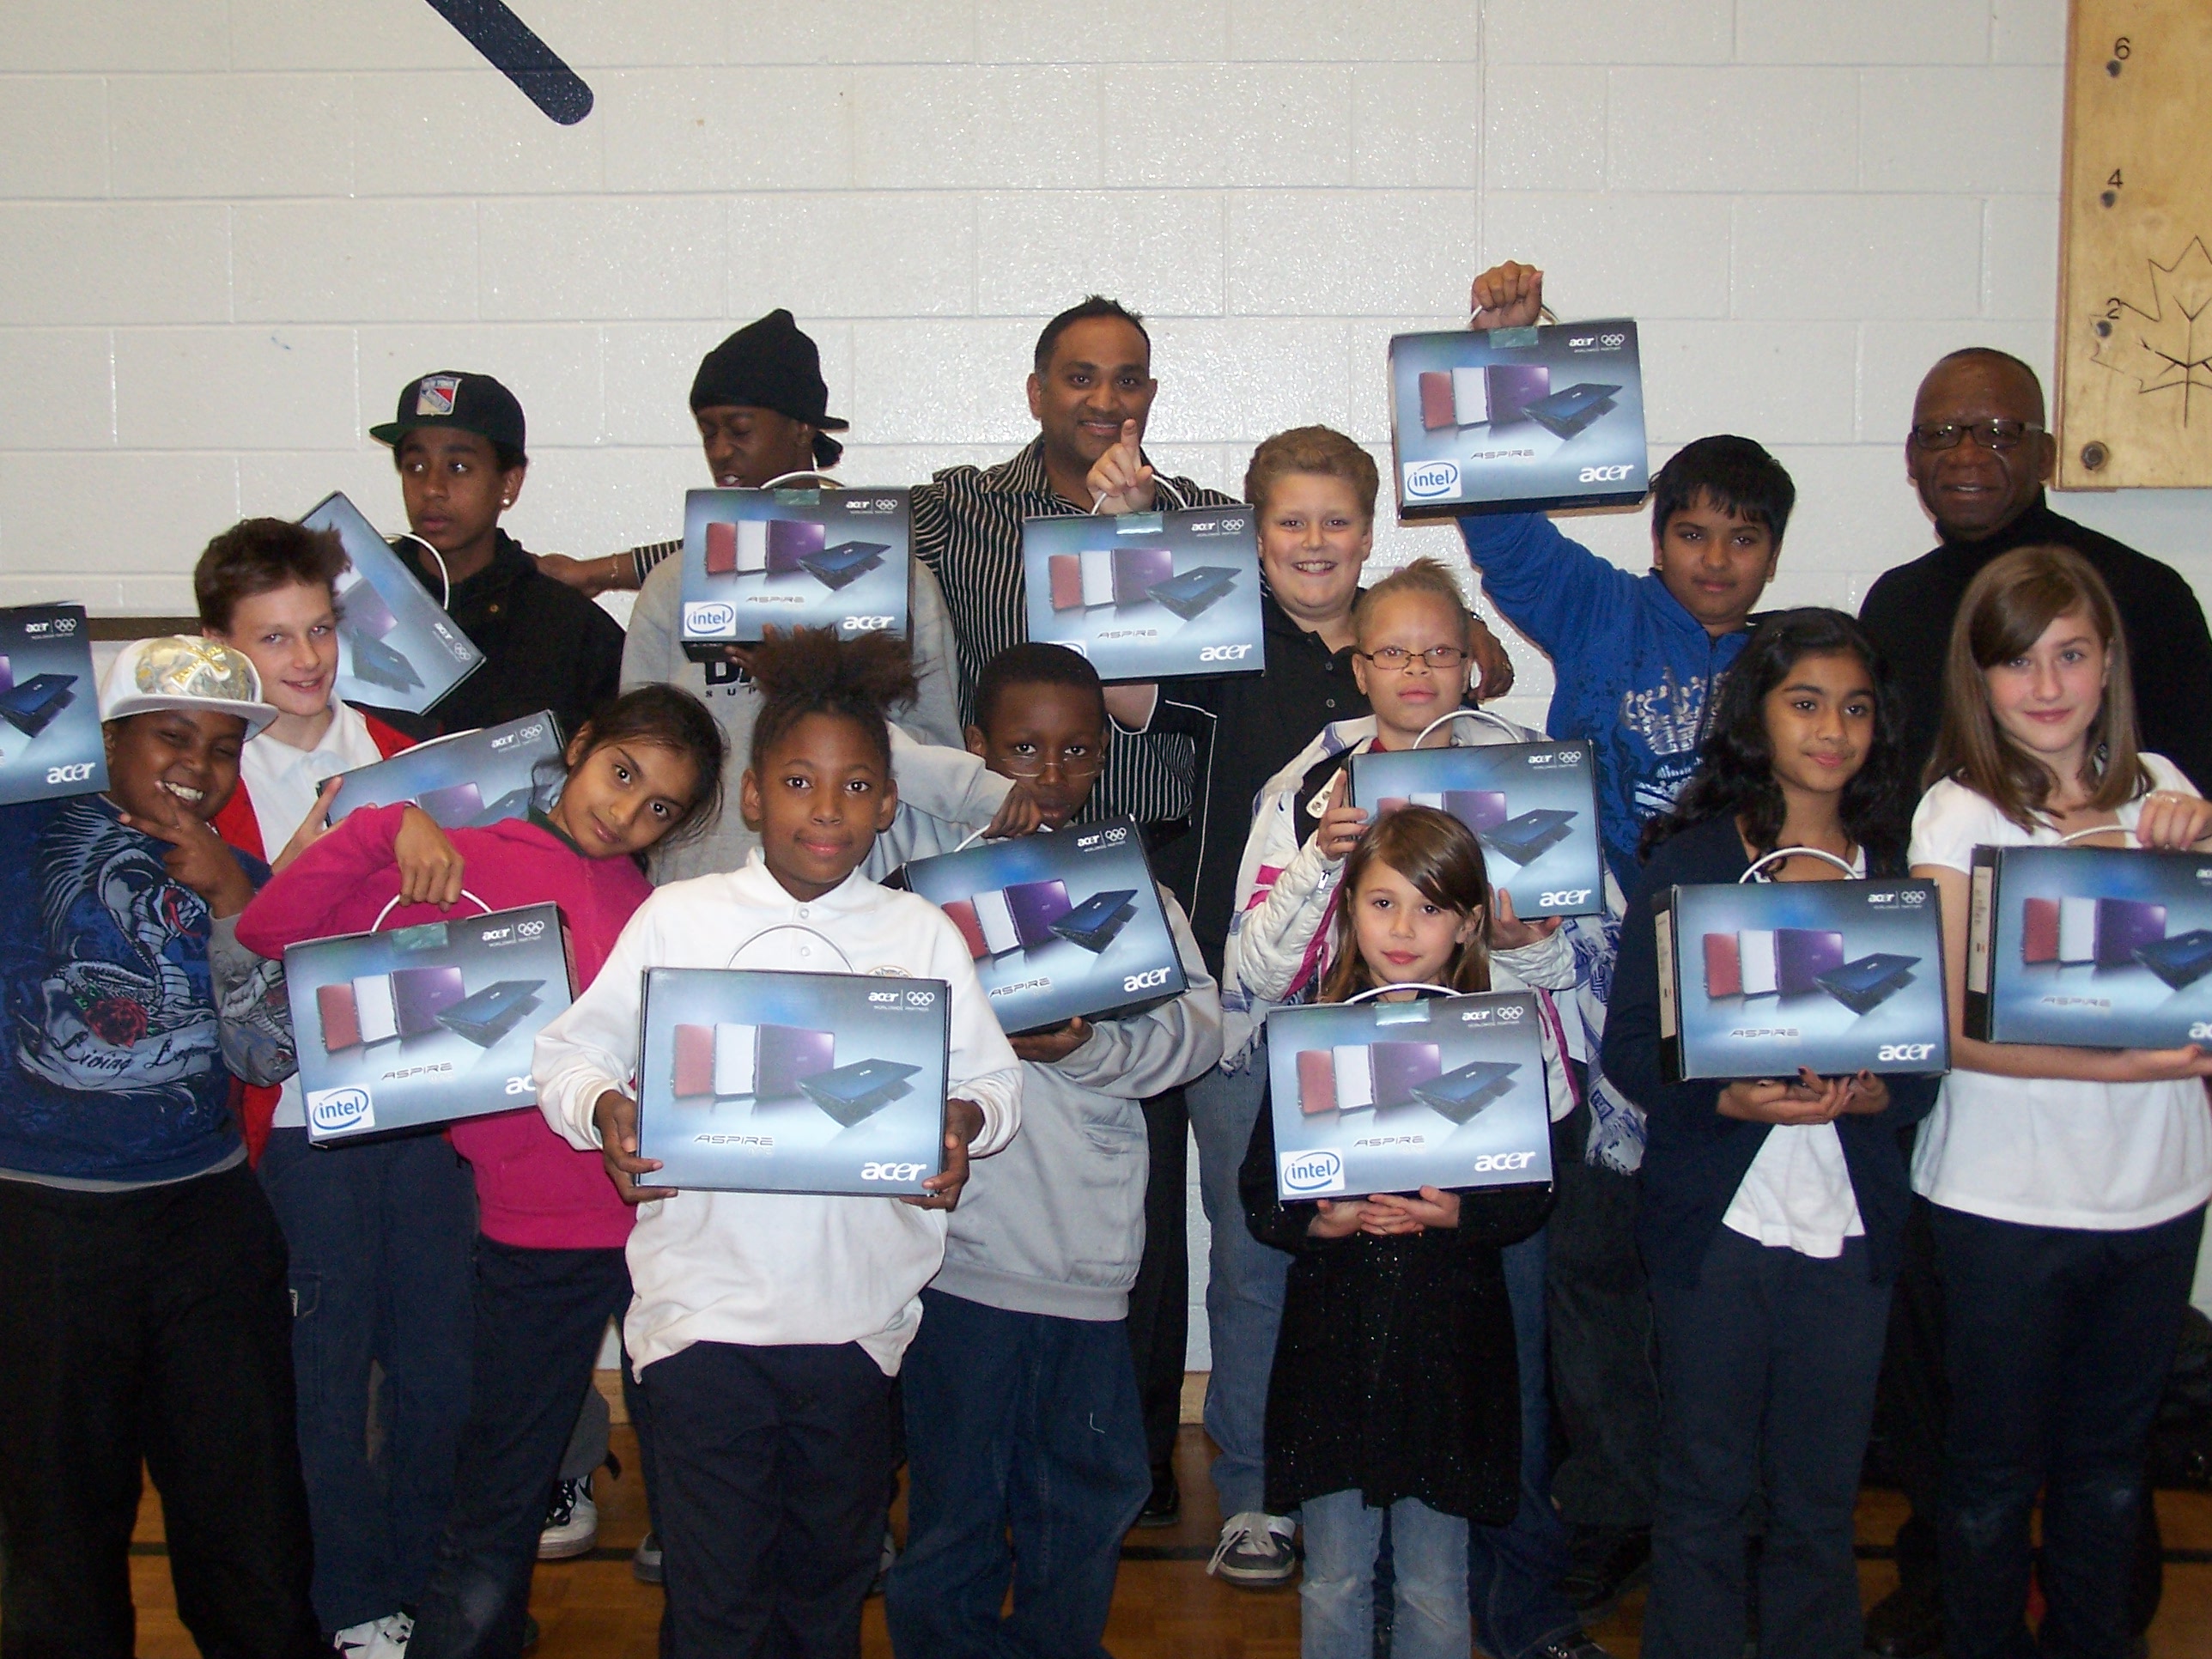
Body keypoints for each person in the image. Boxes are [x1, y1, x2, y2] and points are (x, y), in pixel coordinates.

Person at [531, 629, 1023, 1657]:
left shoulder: (919, 935)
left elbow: (989, 1081)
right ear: (753, 797)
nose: (827, 809)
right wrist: (605, 1113)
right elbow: (566, 1055)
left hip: (856, 1327)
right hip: (696, 1322)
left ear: (889, 805)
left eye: (855, 787)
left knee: (825, 1590)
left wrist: (960, 1126)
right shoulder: (679, 918)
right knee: (715, 1602)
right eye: (799, 781)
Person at [234, 685, 726, 1659]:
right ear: (579, 746)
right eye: (620, 775)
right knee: (498, 1488)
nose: (625, 814)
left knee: (700, 1495)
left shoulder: (659, 909)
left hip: (666, 1231)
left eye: (658, 807)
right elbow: (271, 934)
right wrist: (384, 828)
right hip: (529, 1235)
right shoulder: (465, 859)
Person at [1856, 347, 2212, 1656]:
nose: (2049, 686)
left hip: (2158, 1193)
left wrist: (2199, 840)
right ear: (1981, 679)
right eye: (2021, 664)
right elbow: (1946, 1028)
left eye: (2073, 655)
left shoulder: (2168, 785)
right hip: (2003, 1202)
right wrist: (2123, 1072)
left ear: (2111, 662)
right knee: (1994, 1476)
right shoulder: (1958, 811)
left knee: (2114, 1475)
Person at [1460, 258, 1801, 1611]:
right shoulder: (1603, 610)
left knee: (1713, 1254)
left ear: (1773, 552)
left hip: (1734, 986)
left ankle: (1725, 1496)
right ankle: (1610, 1502)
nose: (1716, 561)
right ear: (1657, 535)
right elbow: (1496, 522)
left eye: (1744, 539)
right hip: (1593, 978)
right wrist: (1512, 347)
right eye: (1695, 533)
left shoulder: (1792, 663)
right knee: (1592, 1258)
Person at [1222, 558, 1609, 1657]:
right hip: (1344, 1126)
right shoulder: (1311, 785)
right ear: (1357, 663)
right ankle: (1371, 1613)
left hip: (1495, 1128)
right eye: (1390, 651)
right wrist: (1316, 862)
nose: (1414, 671)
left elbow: (1583, 971)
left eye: (1437, 650)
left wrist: (1531, 946)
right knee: (1356, 1394)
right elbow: (1249, 978)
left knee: (1500, 1390)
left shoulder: (1527, 779)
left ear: (1471, 657)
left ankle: (1518, 1612)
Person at [1601, 610, 1940, 1656]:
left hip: (1847, 1228)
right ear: (1757, 716)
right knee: (1703, 1492)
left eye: (1854, 707)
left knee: (1816, 1499)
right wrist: (1724, 1099)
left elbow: (1922, 1062)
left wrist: (1885, 1097)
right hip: (1716, 1222)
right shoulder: (1690, 859)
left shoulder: (1896, 865)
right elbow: (1630, 1047)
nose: (1831, 729)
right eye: (1804, 703)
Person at [884, 642, 1224, 1656]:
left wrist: (1089, 1048)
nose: (1050, 774)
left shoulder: (1134, 896)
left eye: (1077, 752)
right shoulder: (914, 892)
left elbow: (1199, 1032)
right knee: (951, 1506)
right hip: (956, 1267)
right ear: (976, 750)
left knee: (1085, 1499)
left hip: (1085, 1264)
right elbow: (865, 745)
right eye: (1022, 749)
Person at [0, 636, 326, 1657]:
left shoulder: (250, 876)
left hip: (205, 1221)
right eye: (169, 735)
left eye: (224, 746)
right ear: (102, 741)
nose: (198, 764)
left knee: (248, 1520)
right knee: (55, 1527)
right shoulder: (18, 838)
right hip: (43, 1220)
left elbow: (269, 1057)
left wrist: (235, 902)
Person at [1240, 806, 1563, 1659]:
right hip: (1334, 1352)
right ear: (1349, 912)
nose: (1402, 928)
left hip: (1448, 1355)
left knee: (1432, 1580)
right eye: (1382, 904)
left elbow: (1528, 1192)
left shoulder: (1493, 1040)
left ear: (1464, 926)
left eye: (1427, 909)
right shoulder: (1308, 1039)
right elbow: (1259, 1196)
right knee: (1335, 1575)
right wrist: (1325, 1220)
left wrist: (1459, 1213)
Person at [610, 309, 967, 884]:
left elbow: (941, 757)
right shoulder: (673, 585)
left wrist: (828, 684)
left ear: (801, 428)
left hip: (860, 891)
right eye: (708, 433)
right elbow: (635, 761)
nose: (721, 451)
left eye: (740, 429)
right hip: (704, 888)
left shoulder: (898, 581)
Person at [1861, 346, 2212, 792]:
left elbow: (2193, 792)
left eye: (1998, 433)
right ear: (1912, 457)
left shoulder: (2142, 594)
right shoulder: (1895, 603)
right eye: (1941, 433)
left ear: (2045, 456)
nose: (1966, 454)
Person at [198, 516, 417, 1162]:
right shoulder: (207, 790)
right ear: (219, 644)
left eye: (320, 629)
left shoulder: (407, 755)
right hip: (290, 1116)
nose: (308, 658)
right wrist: (276, 884)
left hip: (420, 1097)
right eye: (275, 638)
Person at [371, 369, 627, 740]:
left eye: (458, 468)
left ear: (509, 483)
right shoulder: (356, 602)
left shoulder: (570, 631)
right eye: (416, 466)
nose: (432, 488)